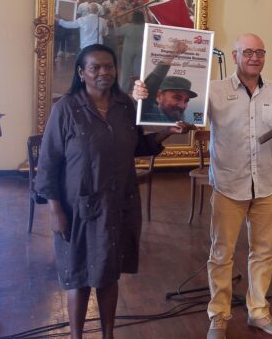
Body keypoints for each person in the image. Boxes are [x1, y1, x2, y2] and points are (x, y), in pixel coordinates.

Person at [134, 33, 272, 339]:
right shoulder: (214, 91)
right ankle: (219, 316)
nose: (254, 57)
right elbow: (187, 116)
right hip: (228, 184)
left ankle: (259, 312)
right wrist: (145, 96)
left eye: (260, 52)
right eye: (248, 52)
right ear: (236, 56)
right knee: (221, 254)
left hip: (265, 185)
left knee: (263, 253)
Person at [35, 44, 192, 339]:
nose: (103, 72)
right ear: (81, 73)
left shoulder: (125, 106)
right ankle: (76, 336)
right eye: (95, 68)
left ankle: (108, 335)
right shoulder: (65, 109)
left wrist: (169, 131)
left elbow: (139, 147)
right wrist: (55, 211)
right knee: (78, 276)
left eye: (109, 66)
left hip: (118, 204)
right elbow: (48, 165)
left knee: (109, 275)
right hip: (77, 208)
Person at [139, 41, 197, 123]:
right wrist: (171, 55)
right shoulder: (148, 112)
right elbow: (152, 86)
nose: (182, 105)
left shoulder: (178, 116)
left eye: (186, 101)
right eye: (177, 97)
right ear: (159, 96)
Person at [114, 10, 146, 92]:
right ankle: (138, 88)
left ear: (133, 17)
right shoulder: (145, 26)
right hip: (141, 49)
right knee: (138, 70)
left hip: (128, 50)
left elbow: (117, 32)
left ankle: (124, 89)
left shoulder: (128, 26)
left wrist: (114, 21)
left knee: (126, 70)